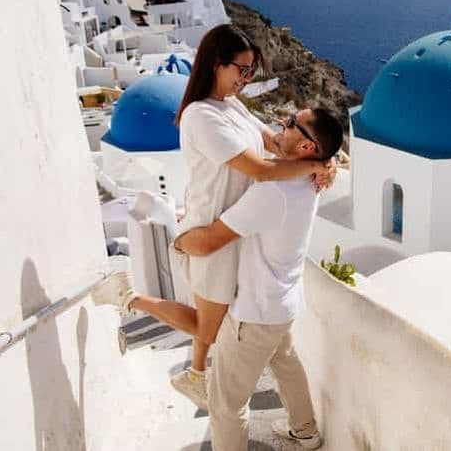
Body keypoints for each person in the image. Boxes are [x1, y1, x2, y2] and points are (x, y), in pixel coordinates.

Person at [91, 24, 335, 410]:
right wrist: (316, 164)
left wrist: (326, 160)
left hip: (235, 230)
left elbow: (273, 142)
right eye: (241, 69)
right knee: (213, 328)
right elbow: (261, 169)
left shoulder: (231, 104)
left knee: (217, 323)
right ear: (216, 64)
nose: (246, 78)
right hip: (210, 235)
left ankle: (196, 376)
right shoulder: (201, 116)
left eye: (251, 71)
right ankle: (127, 296)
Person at [176, 107, 343, 450]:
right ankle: (305, 430)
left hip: (255, 312)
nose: (282, 123)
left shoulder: (274, 191)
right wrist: (328, 163)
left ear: (307, 148)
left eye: (293, 123)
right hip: (283, 302)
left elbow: (208, 241)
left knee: (226, 403)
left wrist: (176, 241)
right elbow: (249, 121)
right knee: (285, 362)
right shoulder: (307, 179)